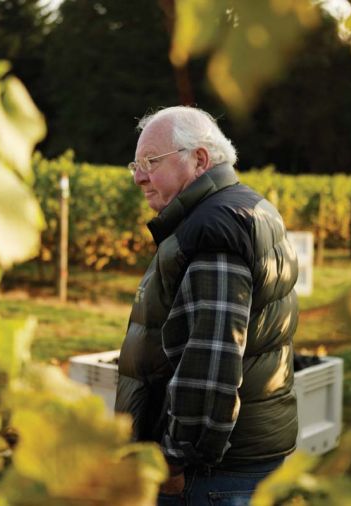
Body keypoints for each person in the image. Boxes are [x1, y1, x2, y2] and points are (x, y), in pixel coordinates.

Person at [115, 106, 299, 505]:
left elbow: (210, 363)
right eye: (136, 164)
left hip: (209, 477)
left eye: (150, 161)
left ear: (198, 159)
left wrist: (176, 461)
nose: (139, 176)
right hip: (235, 466)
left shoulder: (214, 230)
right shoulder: (240, 208)